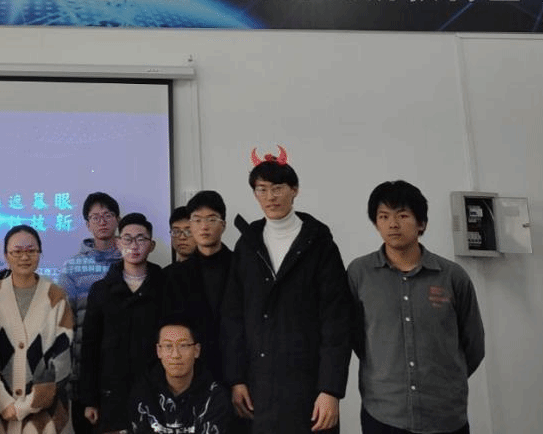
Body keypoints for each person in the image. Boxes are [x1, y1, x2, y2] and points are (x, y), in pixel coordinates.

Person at [223, 157, 352, 434]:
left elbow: (337, 320)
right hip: (257, 384)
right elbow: (233, 317)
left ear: (294, 190)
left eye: (277, 188)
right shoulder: (247, 244)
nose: (270, 197)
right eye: (261, 189)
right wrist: (236, 379)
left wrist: (330, 389)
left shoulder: (319, 243)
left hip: (308, 384)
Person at [348, 181, 485, 434]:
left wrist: (445, 382)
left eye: (402, 216)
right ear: (376, 223)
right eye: (383, 216)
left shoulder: (452, 276)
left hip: (445, 415)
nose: (392, 224)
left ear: (421, 223)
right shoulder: (359, 274)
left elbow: (473, 344)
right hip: (384, 413)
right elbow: (355, 337)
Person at [0, 225, 74, 434]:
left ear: (40, 254)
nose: (24, 257)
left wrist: (26, 406)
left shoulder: (56, 297)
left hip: (46, 416)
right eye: (17, 251)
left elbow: (62, 359)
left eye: (31, 251)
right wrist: (3, 402)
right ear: (6, 255)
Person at [80, 213, 166, 434]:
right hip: (112, 392)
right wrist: (90, 399)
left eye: (141, 239)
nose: (134, 246)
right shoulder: (101, 290)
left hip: (157, 390)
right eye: (127, 239)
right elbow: (89, 347)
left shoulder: (167, 286)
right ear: (118, 244)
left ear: (151, 245)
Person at [58, 192, 121, 434]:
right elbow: (66, 322)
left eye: (108, 215)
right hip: (85, 372)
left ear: (117, 220)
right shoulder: (73, 266)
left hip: (122, 370)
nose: (102, 221)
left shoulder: (131, 261)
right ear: (87, 224)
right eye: (95, 217)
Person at [164, 190, 233, 383]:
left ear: (223, 225)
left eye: (211, 219)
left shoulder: (242, 266)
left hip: (237, 370)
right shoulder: (176, 274)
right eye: (197, 220)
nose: (204, 226)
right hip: (193, 374)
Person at [128, 316, 231, 434]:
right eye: (168, 346)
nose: (176, 355)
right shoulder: (143, 393)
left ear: (196, 350)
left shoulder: (214, 396)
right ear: (158, 351)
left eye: (183, 345)